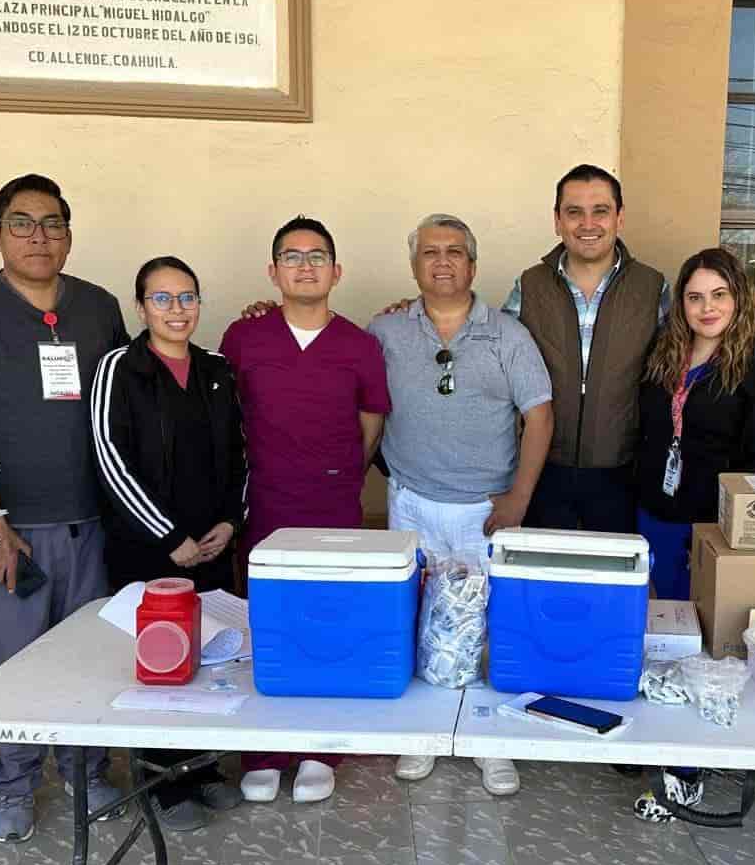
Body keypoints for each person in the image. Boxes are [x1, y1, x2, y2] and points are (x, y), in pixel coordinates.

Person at [0, 174, 131, 845]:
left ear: (69, 234)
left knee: (91, 658)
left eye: (52, 223)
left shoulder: (99, 307)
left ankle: (87, 771)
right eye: (21, 223)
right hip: (6, 530)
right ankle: (14, 784)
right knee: (13, 664)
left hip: (94, 523)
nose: (38, 236)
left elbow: (127, 402)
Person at [372, 214, 554, 796]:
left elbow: (540, 416)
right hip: (412, 503)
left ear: (473, 266)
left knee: (488, 628)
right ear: (414, 266)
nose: (443, 261)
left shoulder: (508, 334)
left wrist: (520, 497)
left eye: (455, 252)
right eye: (430, 252)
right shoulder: (386, 330)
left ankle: (488, 745)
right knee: (419, 620)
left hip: (486, 508)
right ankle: (424, 735)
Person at [219, 216, 391, 804]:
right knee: (267, 622)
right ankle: (264, 750)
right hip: (265, 501)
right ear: (273, 272)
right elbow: (225, 419)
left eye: (317, 257)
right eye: (292, 257)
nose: (305, 266)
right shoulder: (244, 338)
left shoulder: (359, 344)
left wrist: (342, 471)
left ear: (336, 272)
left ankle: (321, 747)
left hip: (333, 503)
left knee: (330, 619)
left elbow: (372, 422)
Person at [629, 247, 755, 823]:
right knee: (661, 639)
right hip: (656, 518)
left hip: (712, 531)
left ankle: (687, 775)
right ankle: (660, 746)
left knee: (705, 649)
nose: (706, 307)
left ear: (739, 298)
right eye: (694, 296)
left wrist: (733, 540)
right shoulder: (665, 352)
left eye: (719, 295)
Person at [90, 256, 247, 830]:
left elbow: (239, 455)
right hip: (149, 549)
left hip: (210, 545)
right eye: (162, 298)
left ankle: (200, 767)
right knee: (159, 661)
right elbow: (110, 458)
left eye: (187, 297)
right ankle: (160, 779)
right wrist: (168, 537)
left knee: (208, 658)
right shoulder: (120, 368)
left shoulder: (217, 369)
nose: (176, 310)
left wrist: (231, 523)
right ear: (140, 307)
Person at [507, 164, 668, 533]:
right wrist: (423, 310)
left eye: (601, 211)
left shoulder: (652, 288)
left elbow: (677, 367)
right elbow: (490, 352)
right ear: (557, 221)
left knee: (610, 583)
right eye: (574, 212)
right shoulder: (530, 285)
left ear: (619, 218)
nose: (588, 224)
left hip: (623, 472)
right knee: (545, 581)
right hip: (544, 470)